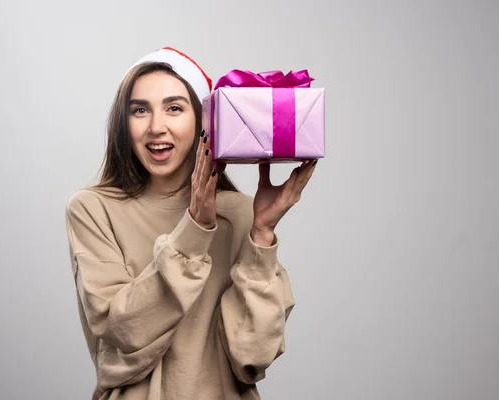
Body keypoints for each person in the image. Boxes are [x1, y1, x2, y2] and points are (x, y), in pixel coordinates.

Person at [64, 47, 317, 400]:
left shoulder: (240, 214)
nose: (156, 127)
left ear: (203, 120)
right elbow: (123, 334)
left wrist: (261, 235)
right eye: (140, 110)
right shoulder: (93, 209)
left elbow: (252, 357)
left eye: (174, 108)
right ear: (124, 123)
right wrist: (195, 229)